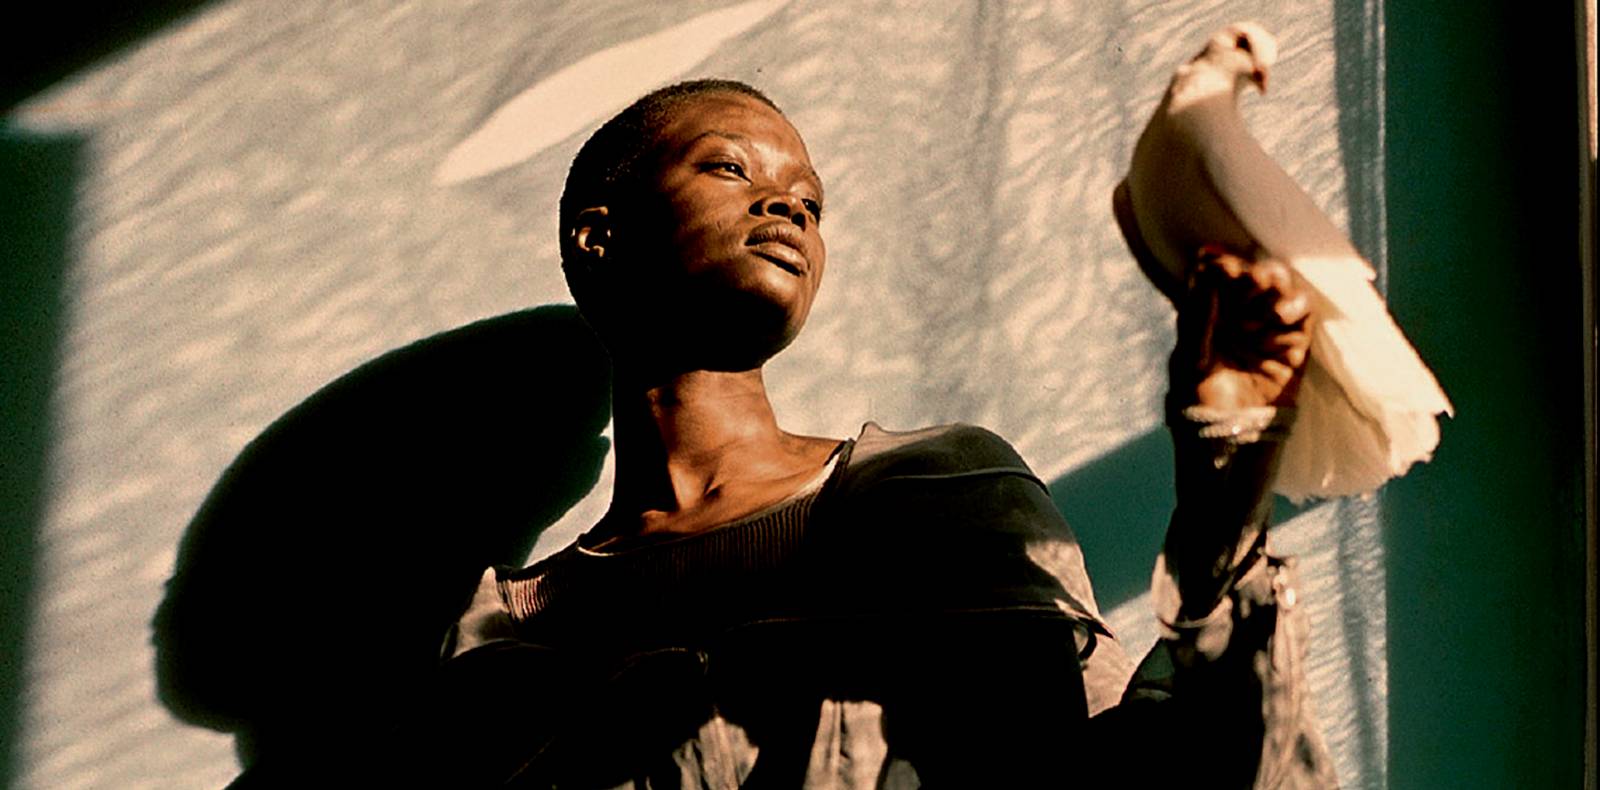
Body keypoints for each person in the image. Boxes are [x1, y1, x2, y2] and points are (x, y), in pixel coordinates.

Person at [417, 79, 1338, 788]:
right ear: (599, 238)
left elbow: (1109, 767)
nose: (787, 207)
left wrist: (1224, 490)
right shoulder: (502, 634)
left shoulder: (939, 492)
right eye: (731, 168)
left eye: (810, 202)